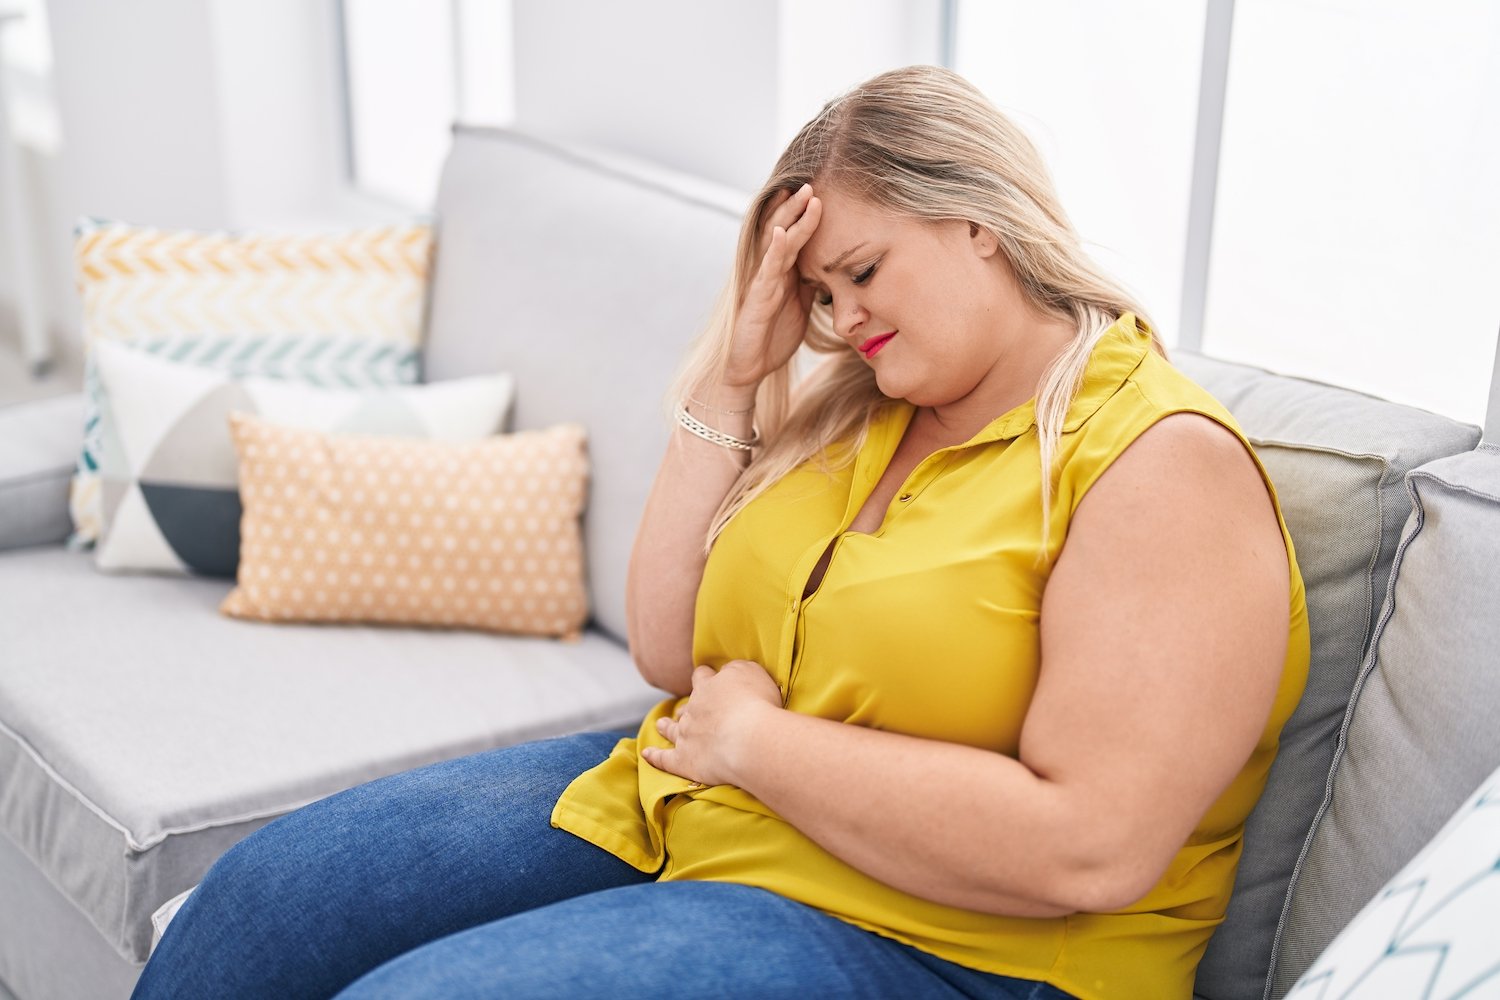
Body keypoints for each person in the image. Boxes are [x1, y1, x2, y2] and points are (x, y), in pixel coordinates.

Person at [130, 65, 1309, 1000]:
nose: (843, 322)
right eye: (820, 299)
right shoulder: (865, 408)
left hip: (956, 950)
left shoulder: (1158, 466)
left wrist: (755, 744)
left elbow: (1088, 850)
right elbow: (664, 647)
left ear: (975, 222)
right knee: (265, 900)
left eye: (860, 272)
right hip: (695, 808)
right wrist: (740, 371)